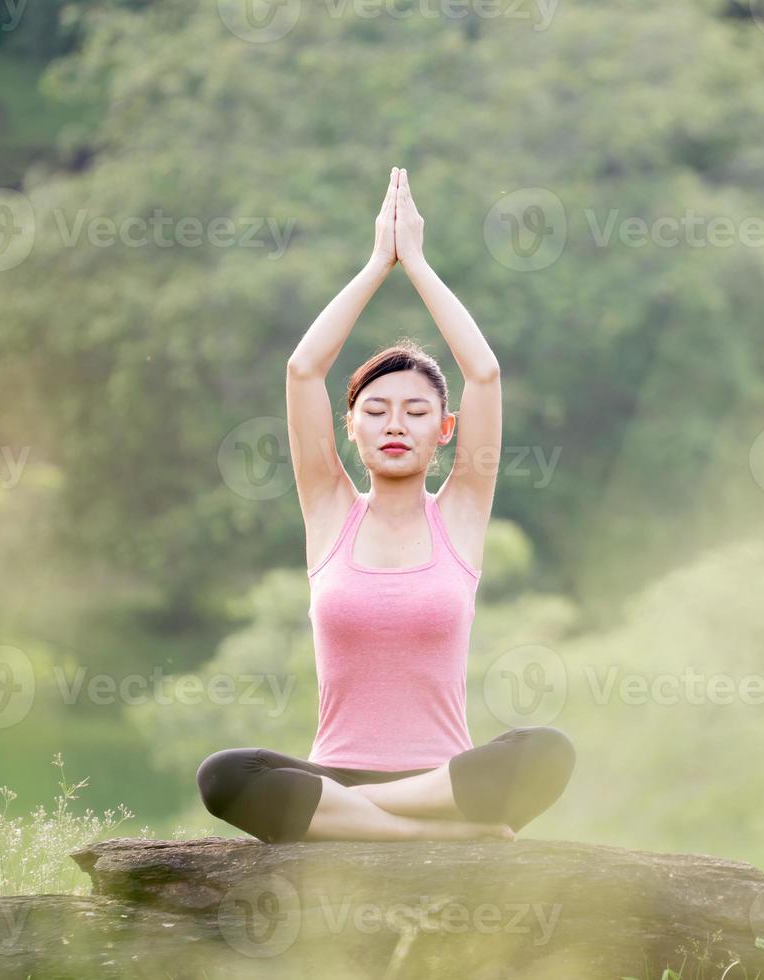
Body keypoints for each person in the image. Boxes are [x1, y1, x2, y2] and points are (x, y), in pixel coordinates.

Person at [195, 167, 574, 844]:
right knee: (225, 775)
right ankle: (435, 839)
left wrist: (418, 265)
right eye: (376, 410)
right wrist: (377, 263)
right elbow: (302, 370)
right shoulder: (329, 513)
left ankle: (370, 824)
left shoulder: (459, 515)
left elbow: (483, 372)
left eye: (415, 411)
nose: (395, 423)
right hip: (335, 782)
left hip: (442, 782)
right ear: (352, 427)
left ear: (444, 429)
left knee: (547, 752)